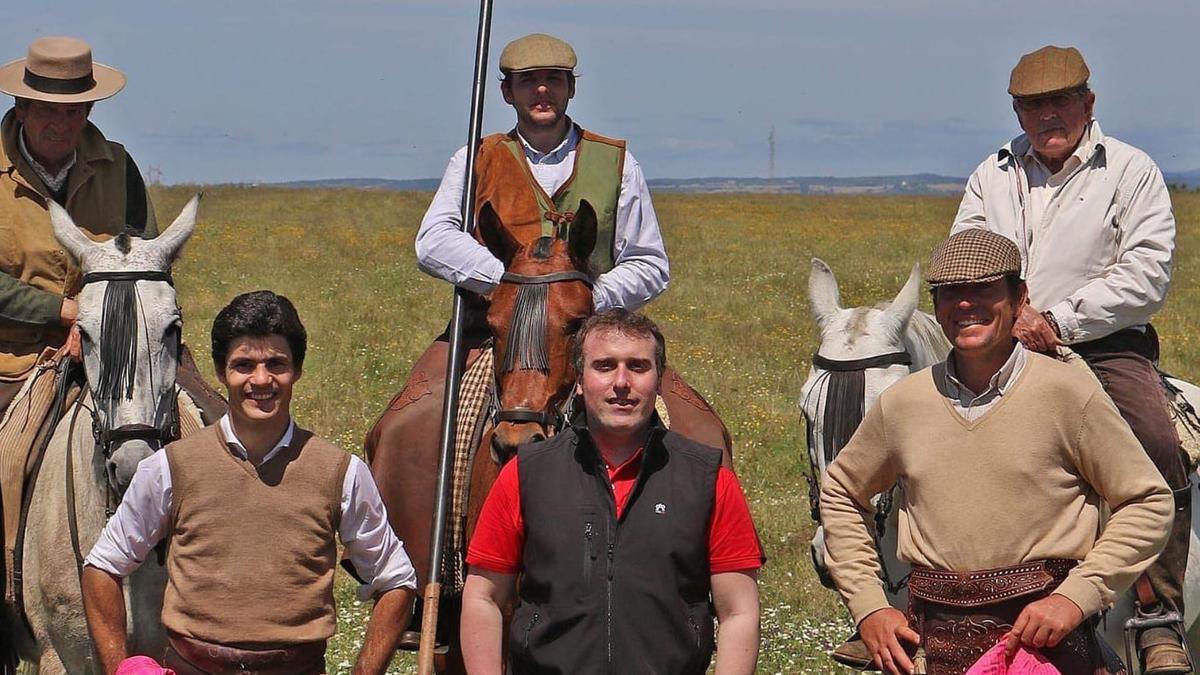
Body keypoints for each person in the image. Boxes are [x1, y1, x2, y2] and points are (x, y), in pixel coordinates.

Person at [820, 229, 1174, 675]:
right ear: (936, 305)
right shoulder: (904, 403)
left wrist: (1076, 596)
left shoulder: (1068, 393)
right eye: (951, 292)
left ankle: (1160, 620)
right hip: (932, 649)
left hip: (1047, 649)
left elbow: (1147, 500)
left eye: (984, 288)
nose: (966, 304)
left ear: (1020, 297)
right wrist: (869, 605)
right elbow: (841, 492)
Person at [951, 44, 1190, 673]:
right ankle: (906, 600)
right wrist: (1001, 317)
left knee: (1154, 445)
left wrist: (1057, 320)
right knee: (917, 428)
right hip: (999, 344)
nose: (1047, 116)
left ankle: (1158, 618)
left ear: (1088, 102)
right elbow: (967, 254)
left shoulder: (1130, 171)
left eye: (1059, 102)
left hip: (1103, 345)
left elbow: (1147, 272)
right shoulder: (991, 174)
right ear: (1017, 111)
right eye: (1033, 106)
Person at [80, 291, 417, 675]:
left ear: (297, 370)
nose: (261, 379)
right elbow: (102, 566)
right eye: (244, 365)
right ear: (222, 372)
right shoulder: (169, 467)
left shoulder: (341, 471)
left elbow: (397, 579)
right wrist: (117, 668)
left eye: (276, 363)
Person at [459, 309, 763, 674]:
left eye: (637, 366)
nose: (621, 382)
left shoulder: (709, 478)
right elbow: (483, 597)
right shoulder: (525, 473)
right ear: (579, 380)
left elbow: (739, 611)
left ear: (659, 379)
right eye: (604, 366)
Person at [0, 36, 159, 671]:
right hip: (13, 361)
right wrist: (63, 312)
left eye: (74, 109)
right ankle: (9, 600)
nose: (61, 121)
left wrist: (105, 322)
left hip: (116, 345)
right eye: (47, 108)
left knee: (217, 427)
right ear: (19, 101)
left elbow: (144, 257)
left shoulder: (119, 166)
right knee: (5, 463)